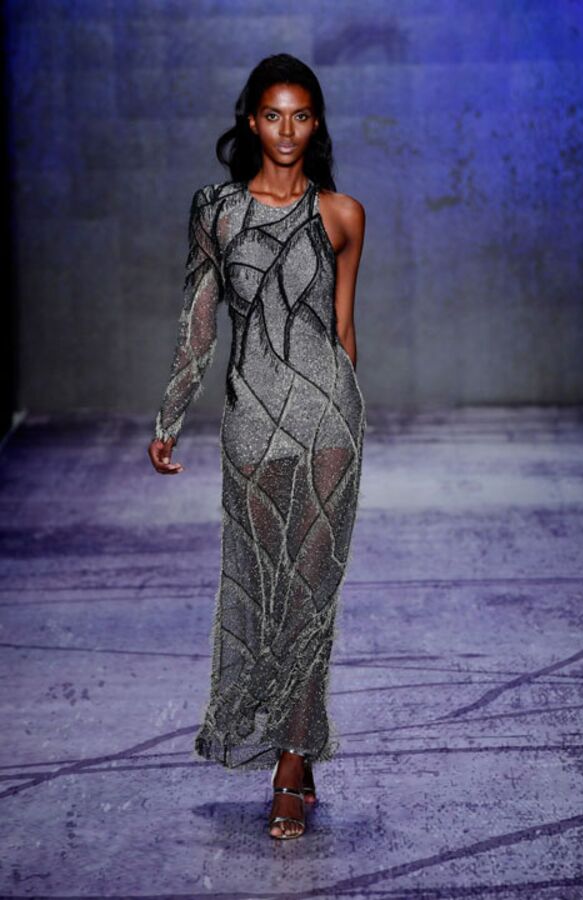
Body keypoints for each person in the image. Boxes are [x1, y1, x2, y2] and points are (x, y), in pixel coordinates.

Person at [148, 53, 366, 840]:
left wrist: (355, 421)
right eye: (273, 115)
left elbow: (343, 329)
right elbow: (199, 321)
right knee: (266, 594)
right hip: (250, 424)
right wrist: (170, 417)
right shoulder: (217, 210)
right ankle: (294, 748)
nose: (287, 130)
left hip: (328, 425)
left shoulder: (342, 214)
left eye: (300, 116)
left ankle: (290, 765)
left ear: (316, 123)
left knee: (310, 597)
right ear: (251, 121)